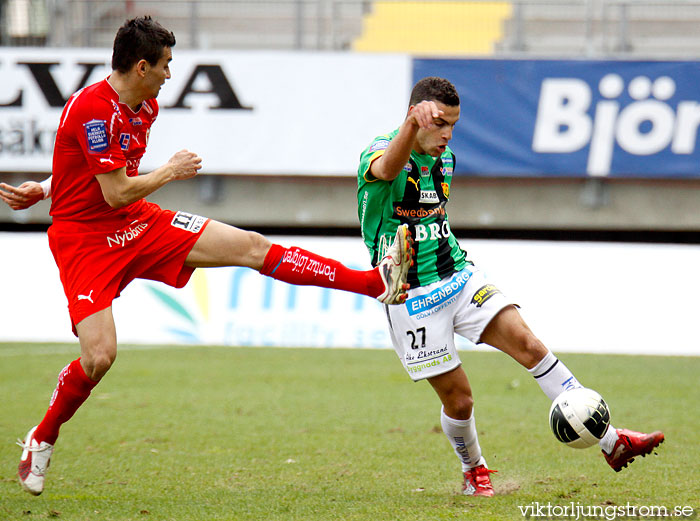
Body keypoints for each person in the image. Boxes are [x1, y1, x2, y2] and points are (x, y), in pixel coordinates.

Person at [8, 16, 413, 496]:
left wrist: (48, 185)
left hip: (137, 222)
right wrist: (170, 170)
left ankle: (373, 283)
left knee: (251, 247)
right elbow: (113, 191)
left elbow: (97, 173)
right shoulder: (94, 111)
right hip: (85, 240)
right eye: (165, 66)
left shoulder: (144, 104)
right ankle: (42, 436)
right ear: (142, 66)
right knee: (99, 358)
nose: (169, 75)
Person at [356, 76, 664, 497]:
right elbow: (386, 170)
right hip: (410, 297)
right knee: (460, 402)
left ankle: (612, 442)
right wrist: (410, 127)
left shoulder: (445, 160)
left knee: (532, 346)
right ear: (416, 116)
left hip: (460, 278)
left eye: (454, 125)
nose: (447, 134)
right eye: (440, 123)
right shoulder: (379, 153)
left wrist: (426, 130)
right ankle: (474, 469)